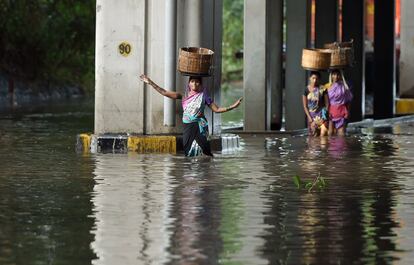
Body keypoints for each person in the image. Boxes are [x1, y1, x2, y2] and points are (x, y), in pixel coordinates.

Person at [139, 74, 243, 157]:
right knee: (187, 150)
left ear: (200, 84)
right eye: (192, 81)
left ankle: (206, 174)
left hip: (200, 126)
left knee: (206, 151)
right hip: (188, 126)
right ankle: (190, 177)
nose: (195, 84)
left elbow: (216, 109)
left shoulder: (204, 96)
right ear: (189, 83)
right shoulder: (183, 96)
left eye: (197, 82)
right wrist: (150, 83)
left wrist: (232, 107)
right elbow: (165, 92)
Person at [324, 69, 353, 136]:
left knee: (341, 134)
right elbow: (326, 102)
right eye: (334, 74)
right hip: (331, 112)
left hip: (342, 112)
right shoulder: (327, 86)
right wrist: (326, 113)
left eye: (338, 74)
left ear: (340, 76)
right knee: (330, 134)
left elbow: (348, 100)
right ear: (331, 75)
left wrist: (348, 112)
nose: (336, 76)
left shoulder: (344, 86)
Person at [302, 71, 329, 136]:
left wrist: (324, 117)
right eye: (313, 78)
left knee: (323, 135)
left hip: (321, 115)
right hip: (311, 116)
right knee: (313, 137)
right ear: (310, 78)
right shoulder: (306, 89)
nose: (315, 80)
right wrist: (310, 119)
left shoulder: (323, 89)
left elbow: (327, 104)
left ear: (319, 79)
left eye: (316, 79)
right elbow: (305, 106)